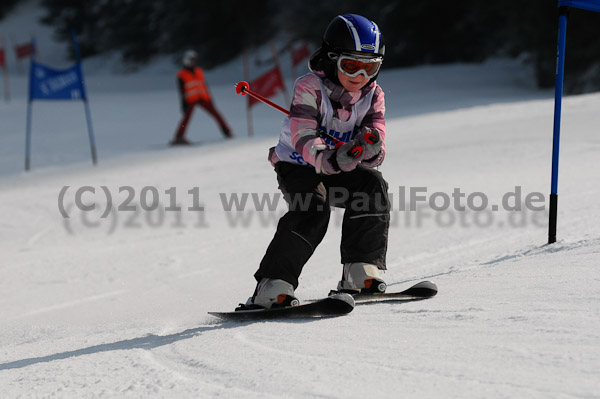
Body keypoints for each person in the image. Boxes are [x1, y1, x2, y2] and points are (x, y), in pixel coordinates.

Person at [240, 14, 390, 309]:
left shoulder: (373, 95)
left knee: (372, 186)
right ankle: (273, 284)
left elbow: (377, 137)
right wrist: (331, 157)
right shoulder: (309, 87)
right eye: (351, 65)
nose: (360, 75)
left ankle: (360, 270)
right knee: (313, 207)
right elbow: (303, 137)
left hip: (339, 166)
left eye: (369, 67)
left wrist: (369, 147)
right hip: (298, 165)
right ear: (332, 58)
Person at [171, 49, 232, 145]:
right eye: (192, 60)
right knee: (186, 118)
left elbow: (204, 85)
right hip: (191, 100)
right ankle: (179, 137)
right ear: (187, 60)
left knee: (216, 114)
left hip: (203, 97)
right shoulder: (181, 74)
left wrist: (210, 98)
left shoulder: (199, 71)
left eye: (194, 60)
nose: (193, 62)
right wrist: (183, 103)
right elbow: (181, 91)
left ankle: (227, 132)